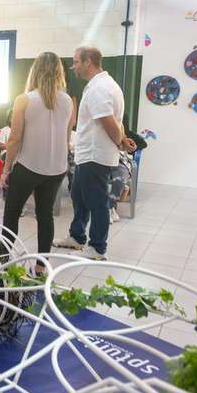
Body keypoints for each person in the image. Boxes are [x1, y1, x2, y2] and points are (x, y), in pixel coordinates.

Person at [55, 47, 135, 260]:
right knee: (79, 196)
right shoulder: (103, 85)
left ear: (88, 61)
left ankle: (98, 248)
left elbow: (108, 121)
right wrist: (123, 139)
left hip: (95, 154)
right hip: (88, 152)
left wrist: (120, 143)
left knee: (97, 201)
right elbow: (117, 121)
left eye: (76, 62)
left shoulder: (100, 88)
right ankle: (77, 237)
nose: (74, 67)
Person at [1, 52, 74, 275]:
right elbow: (67, 135)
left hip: (28, 165)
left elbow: (14, 138)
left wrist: (6, 169)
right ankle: (41, 268)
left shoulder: (25, 99)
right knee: (45, 215)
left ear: (35, 70)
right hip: (56, 168)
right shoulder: (68, 100)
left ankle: (2, 262)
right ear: (59, 72)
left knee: (12, 213)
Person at [108, 114, 147, 223]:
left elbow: (142, 144)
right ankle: (109, 208)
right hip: (103, 160)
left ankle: (110, 207)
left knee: (119, 178)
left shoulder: (126, 133)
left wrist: (130, 147)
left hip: (120, 161)